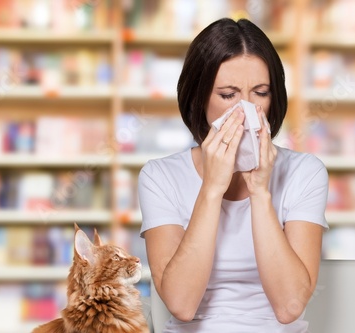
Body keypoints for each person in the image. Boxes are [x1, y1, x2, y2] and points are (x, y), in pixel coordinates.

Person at [138, 18, 328, 332]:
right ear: (199, 100)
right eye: (228, 95)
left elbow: (290, 306)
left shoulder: (304, 172)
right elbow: (182, 305)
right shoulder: (160, 177)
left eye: (261, 93)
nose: (247, 112)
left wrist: (260, 192)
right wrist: (212, 189)